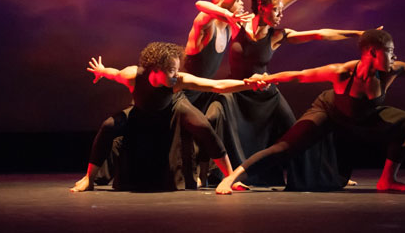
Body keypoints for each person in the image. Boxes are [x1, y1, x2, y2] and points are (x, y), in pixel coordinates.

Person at [215, 29, 405, 194]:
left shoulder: (391, 71)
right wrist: (266, 78)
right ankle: (233, 177)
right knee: (285, 147)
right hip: (330, 110)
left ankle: (387, 180)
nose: (394, 56)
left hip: (366, 115)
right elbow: (300, 75)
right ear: (371, 53)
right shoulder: (342, 73)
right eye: (389, 51)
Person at [197, 0, 371, 186]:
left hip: (267, 94)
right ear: (261, 7)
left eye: (281, 10)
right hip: (237, 91)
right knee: (214, 114)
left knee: (298, 131)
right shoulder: (239, 23)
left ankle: (330, 175)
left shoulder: (278, 35)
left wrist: (358, 34)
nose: (281, 14)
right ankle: (211, 175)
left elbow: (320, 33)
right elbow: (201, 5)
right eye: (276, 10)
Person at [70, 42, 266, 193]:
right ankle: (89, 178)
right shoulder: (132, 76)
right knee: (108, 125)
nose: (177, 74)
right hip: (141, 111)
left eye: (177, 69)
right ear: (155, 69)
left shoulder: (177, 82)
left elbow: (217, 86)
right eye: (172, 70)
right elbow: (113, 73)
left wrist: (248, 84)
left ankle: (230, 177)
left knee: (203, 126)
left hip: (173, 107)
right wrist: (102, 71)